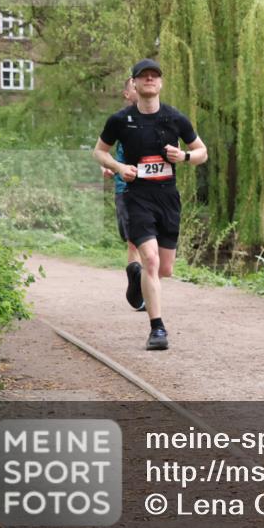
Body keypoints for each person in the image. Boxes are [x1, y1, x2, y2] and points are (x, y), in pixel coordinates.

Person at [92, 59, 208, 350]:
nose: (149, 79)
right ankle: (157, 329)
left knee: (165, 269)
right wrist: (119, 167)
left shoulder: (174, 118)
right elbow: (99, 152)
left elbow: (202, 152)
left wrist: (184, 157)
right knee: (151, 261)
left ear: (161, 83)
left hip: (167, 198)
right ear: (134, 83)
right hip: (137, 197)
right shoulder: (120, 120)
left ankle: (137, 278)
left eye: (154, 76)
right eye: (143, 76)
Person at [100, 77, 145, 311]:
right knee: (135, 242)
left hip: (153, 189)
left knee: (152, 242)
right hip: (126, 189)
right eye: (134, 86)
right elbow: (103, 151)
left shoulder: (159, 117)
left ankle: (142, 284)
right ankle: (139, 290)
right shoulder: (119, 121)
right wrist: (108, 167)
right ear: (127, 94)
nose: (140, 87)